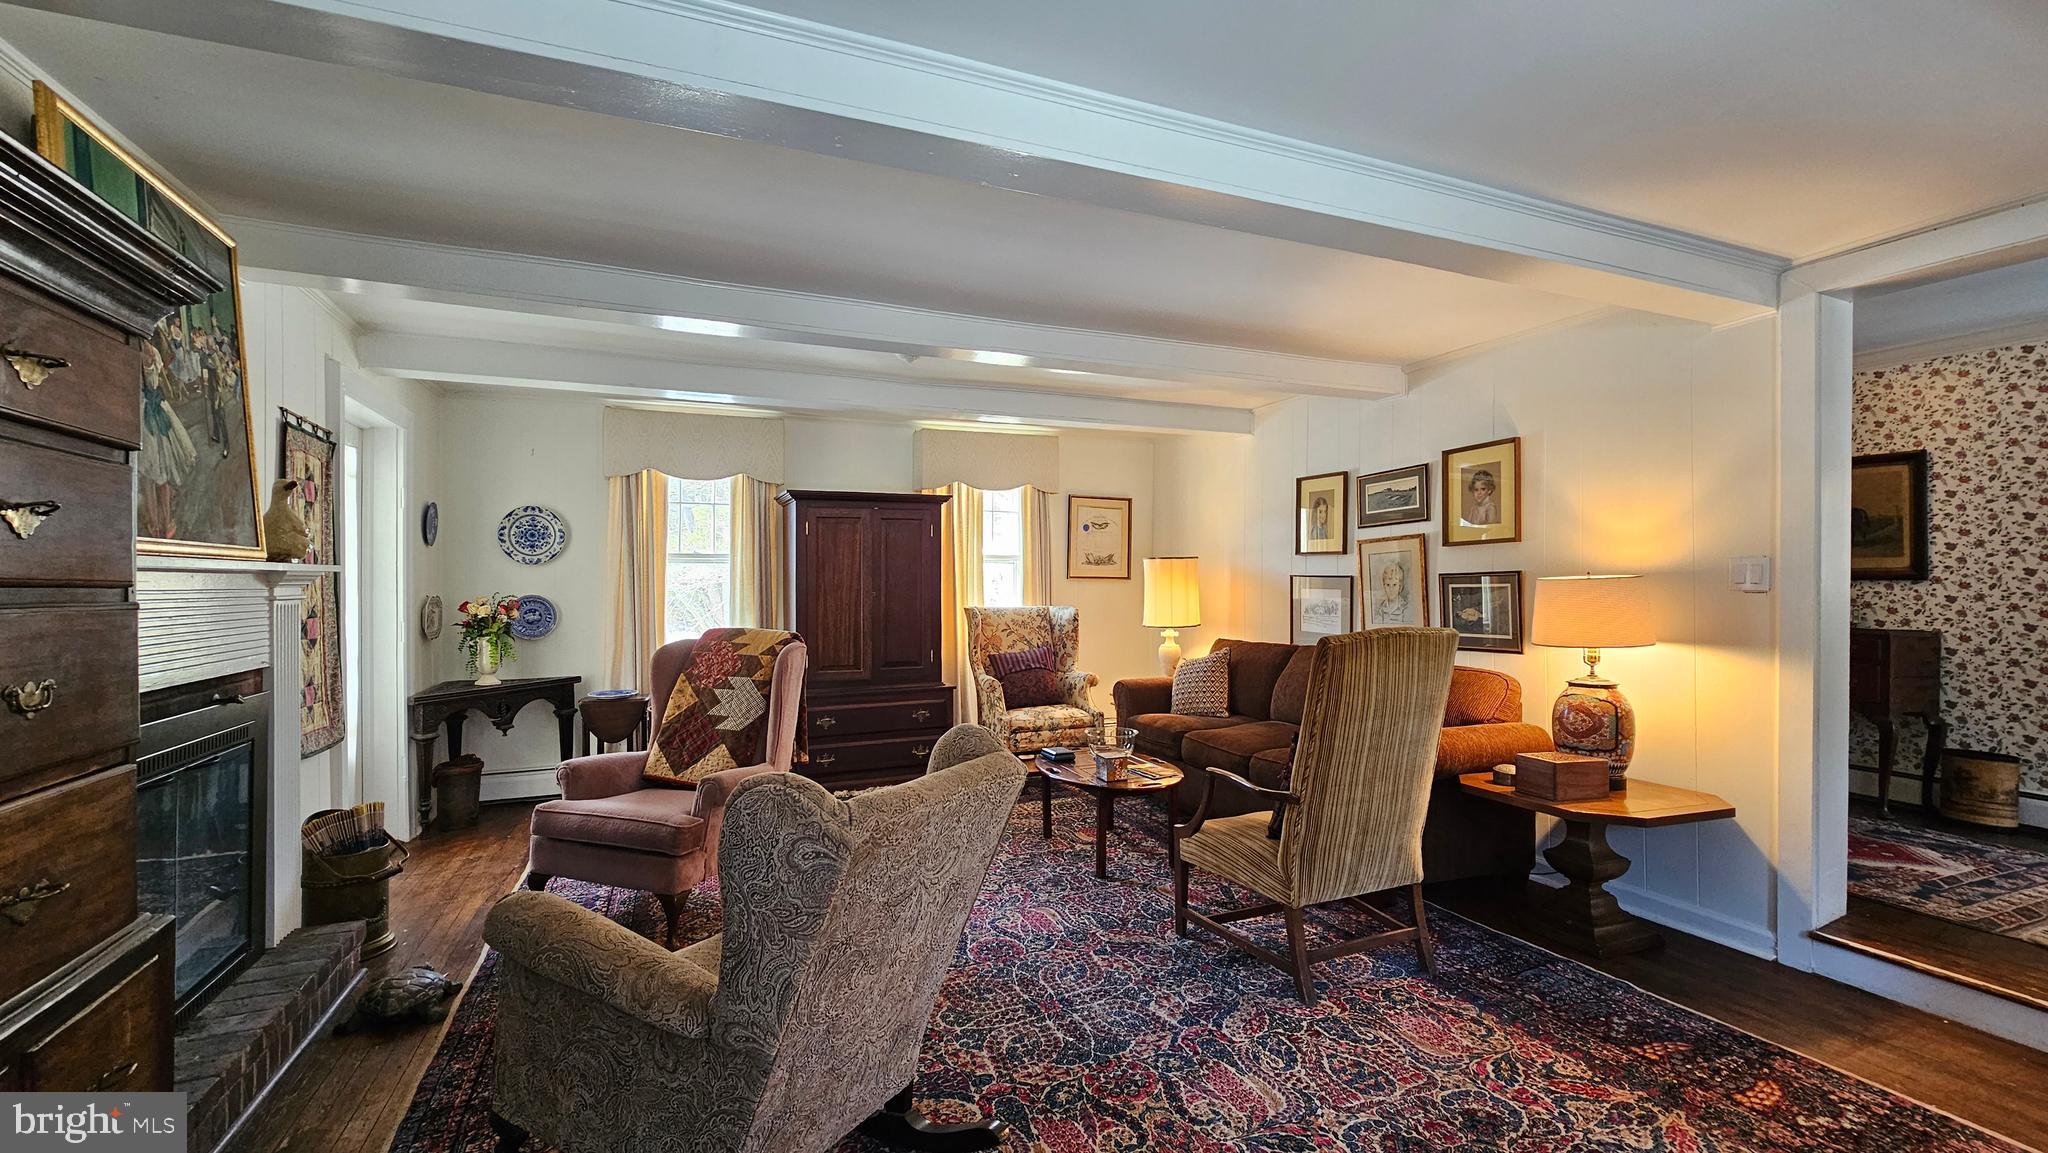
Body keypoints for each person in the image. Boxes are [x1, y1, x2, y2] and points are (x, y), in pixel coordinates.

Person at [138, 342, 198, 538]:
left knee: (154, 471)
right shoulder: (150, 351)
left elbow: (152, 381)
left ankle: (160, 522)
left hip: (148, 411)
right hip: (151, 409)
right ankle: (159, 522)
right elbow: (156, 380)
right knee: (154, 470)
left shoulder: (144, 351)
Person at [1369, 556, 1411, 626]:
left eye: (1394, 585)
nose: (1391, 589)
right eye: (1388, 585)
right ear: (1384, 586)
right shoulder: (1381, 609)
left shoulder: (1405, 608)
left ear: (1400, 586)